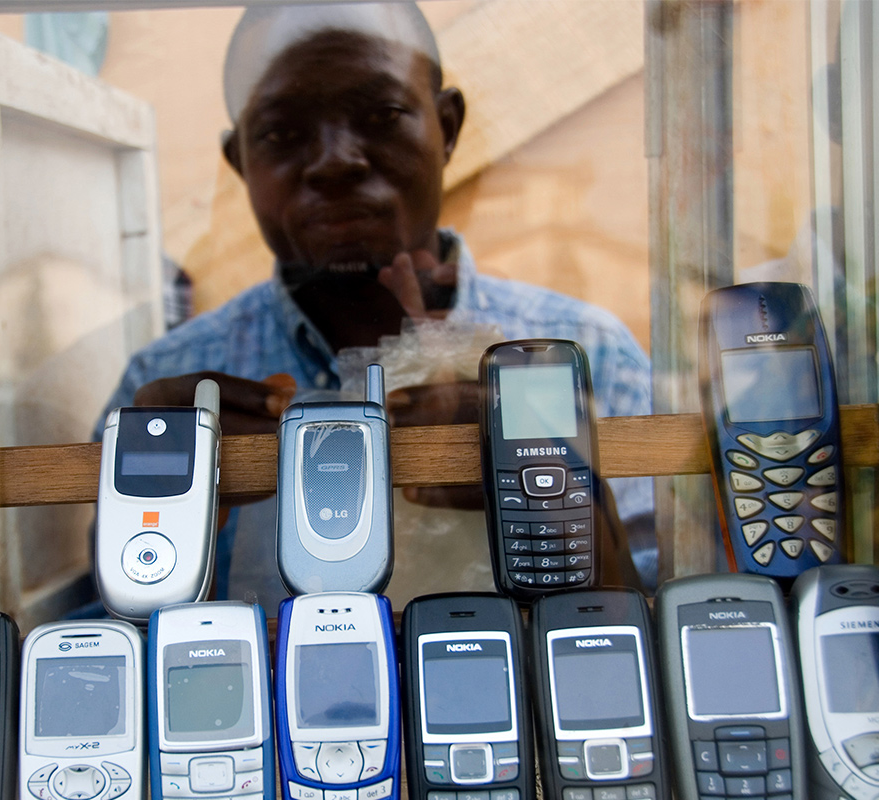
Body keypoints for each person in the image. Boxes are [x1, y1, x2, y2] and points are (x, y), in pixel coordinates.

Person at [95, 2, 655, 611]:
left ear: (448, 127)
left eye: (383, 115)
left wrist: (555, 496)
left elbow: (655, 622)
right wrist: (166, 525)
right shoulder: (165, 396)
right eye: (282, 133)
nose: (336, 160)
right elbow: (101, 650)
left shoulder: (588, 353)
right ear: (240, 163)